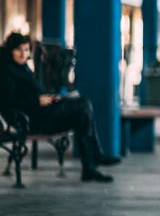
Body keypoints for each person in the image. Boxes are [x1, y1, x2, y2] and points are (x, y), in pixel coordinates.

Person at [0, 32, 120, 182]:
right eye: (19, 50)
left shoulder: (22, 68)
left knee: (82, 114)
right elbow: (8, 102)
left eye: (26, 50)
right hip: (28, 120)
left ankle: (89, 169)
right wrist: (37, 101)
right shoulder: (5, 71)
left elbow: (35, 91)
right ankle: (95, 158)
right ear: (10, 50)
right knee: (83, 106)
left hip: (40, 113)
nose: (23, 54)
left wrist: (50, 97)